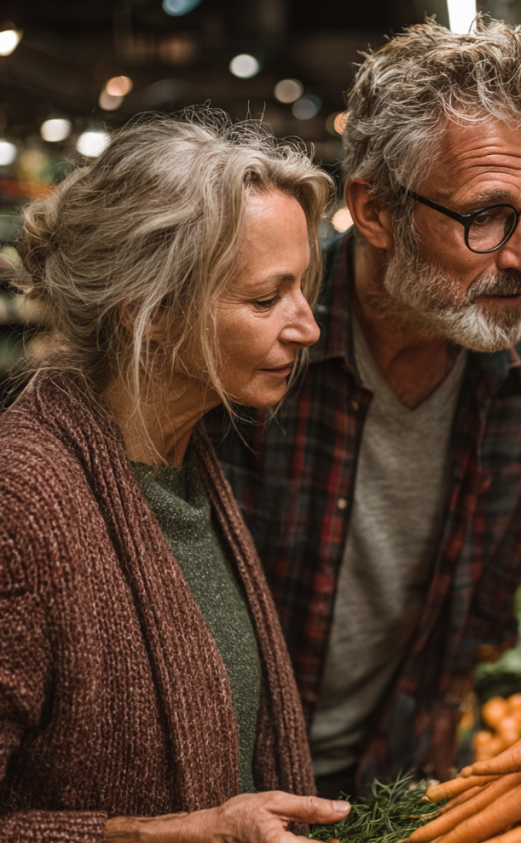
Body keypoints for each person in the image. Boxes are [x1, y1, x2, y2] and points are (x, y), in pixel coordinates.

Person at [210, 16, 521, 796]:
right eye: (485, 216)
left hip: (392, 781)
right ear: (374, 212)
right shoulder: (255, 347)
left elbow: (488, 597)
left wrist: (443, 711)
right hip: (225, 782)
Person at [0, 112, 352, 842]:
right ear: (150, 315)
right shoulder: (22, 504)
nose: (308, 327)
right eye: (266, 299)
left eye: (302, 289)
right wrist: (180, 833)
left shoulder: (191, 463)